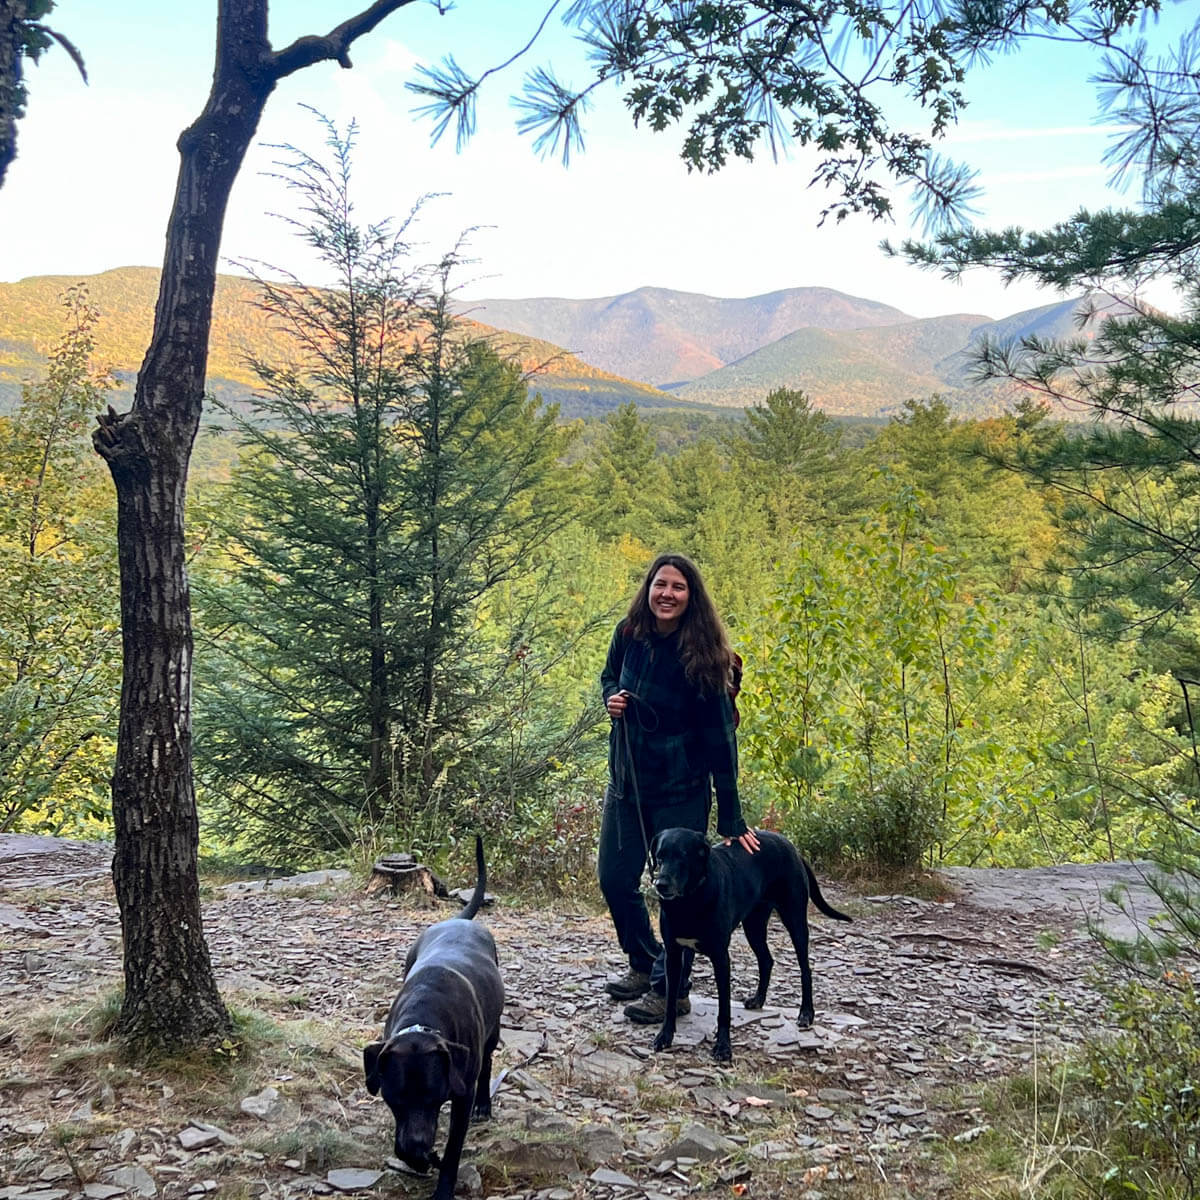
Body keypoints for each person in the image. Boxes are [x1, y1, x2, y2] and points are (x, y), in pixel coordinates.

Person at [598, 552, 760, 1025]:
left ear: (692, 598)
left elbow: (721, 744)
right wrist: (610, 697)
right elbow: (607, 676)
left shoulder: (705, 659)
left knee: (680, 892)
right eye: (660, 584)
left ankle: (673, 990)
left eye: (678, 587)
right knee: (614, 878)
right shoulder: (628, 634)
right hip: (627, 780)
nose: (666, 594)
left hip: (680, 790)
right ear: (648, 588)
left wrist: (731, 818)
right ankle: (647, 963)